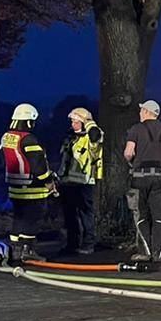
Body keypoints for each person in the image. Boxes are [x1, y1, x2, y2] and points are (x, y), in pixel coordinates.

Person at [123, 100, 161, 263]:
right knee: (159, 217)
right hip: (160, 179)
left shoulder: (136, 129)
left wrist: (131, 160)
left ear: (147, 112)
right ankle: (157, 254)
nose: (140, 114)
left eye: (142, 111)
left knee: (141, 215)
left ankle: (145, 252)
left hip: (140, 179)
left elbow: (128, 152)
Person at [0, 103, 55, 262]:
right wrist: (48, 180)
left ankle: (14, 250)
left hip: (14, 187)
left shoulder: (6, 137)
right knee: (33, 218)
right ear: (28, 121)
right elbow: (38, 164)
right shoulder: (29, 139)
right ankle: (27, 250)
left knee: (19, 218)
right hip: (32, 188)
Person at [56, 107, 104, 256]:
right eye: (72, 121)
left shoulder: (91, 138)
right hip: (67, 183)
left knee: (85, 215)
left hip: (84, 183)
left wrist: (88, 122)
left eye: (75, 121)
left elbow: (95, 135)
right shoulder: (70, 138)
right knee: (69, 215)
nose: (73, 124)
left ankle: (88, 244)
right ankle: (72, 244)